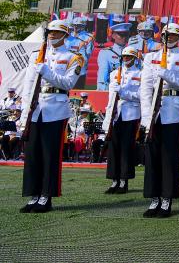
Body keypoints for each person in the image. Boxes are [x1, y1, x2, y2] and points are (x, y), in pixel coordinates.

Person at [18, 19, 85, 213]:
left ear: (65, 35)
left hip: (55, 110)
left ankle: (46, 196)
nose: (52, 35)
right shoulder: (36, 55)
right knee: (32, 154)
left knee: (50, 154)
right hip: (36, 109)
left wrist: (46, 71)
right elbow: (28, 86)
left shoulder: (74, 58)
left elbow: (67, 83)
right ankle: (33, 194)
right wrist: (24, 114)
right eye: (50, 32)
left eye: (56, 33)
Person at [140, 22, 179, 218]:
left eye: (174, 36)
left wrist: (169, 75)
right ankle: (154, 198)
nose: (169, 39)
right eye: (166, 35)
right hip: (153, 112)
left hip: (172, 110)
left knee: (169, 157)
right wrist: (146, 115)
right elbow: (145, 87)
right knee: (152, 156)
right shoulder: (150, 57)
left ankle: (167, 199)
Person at [103, 46, 142, 194]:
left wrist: (124, 92)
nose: (126, 59)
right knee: (114, 148)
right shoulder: (114, 74)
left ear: (134, 58)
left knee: (126, 148)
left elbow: (140, 96)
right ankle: (114, 180)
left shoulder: (140, 74)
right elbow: (110, 97)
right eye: (124, 57)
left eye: (129, 57)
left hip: (131, 114)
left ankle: (124, 181)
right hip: (115, 114)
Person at [97, 21, 131, 90]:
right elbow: (103, 77)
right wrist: (103, 92)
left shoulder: (132, 53)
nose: (124, 37)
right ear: (113, 35)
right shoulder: (105, 53)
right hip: (111, 90)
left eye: (126, 34)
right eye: (121, 35)